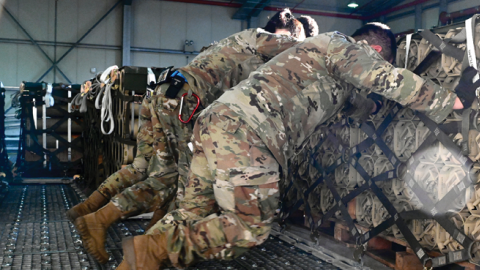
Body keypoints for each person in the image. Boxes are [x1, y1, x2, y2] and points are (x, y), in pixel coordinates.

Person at [114, 22, 477, 270]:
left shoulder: (322, 62)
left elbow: (359, 102)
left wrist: (376, 107)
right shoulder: (342, 45)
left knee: (190, 214)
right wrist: (452, 101)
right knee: (249, 228)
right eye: (379, 58)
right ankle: (154, 249)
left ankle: (128, 262)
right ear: (375, 49)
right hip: (249, 132)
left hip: (214, 123)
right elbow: (387, 78)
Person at [69, 9, 314, 265]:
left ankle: (110, 223)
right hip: (187, 104)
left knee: (166, 177)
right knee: (189, 191)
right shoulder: (268, 54)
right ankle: (137, 246)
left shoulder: (236, 43)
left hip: (166, 96)